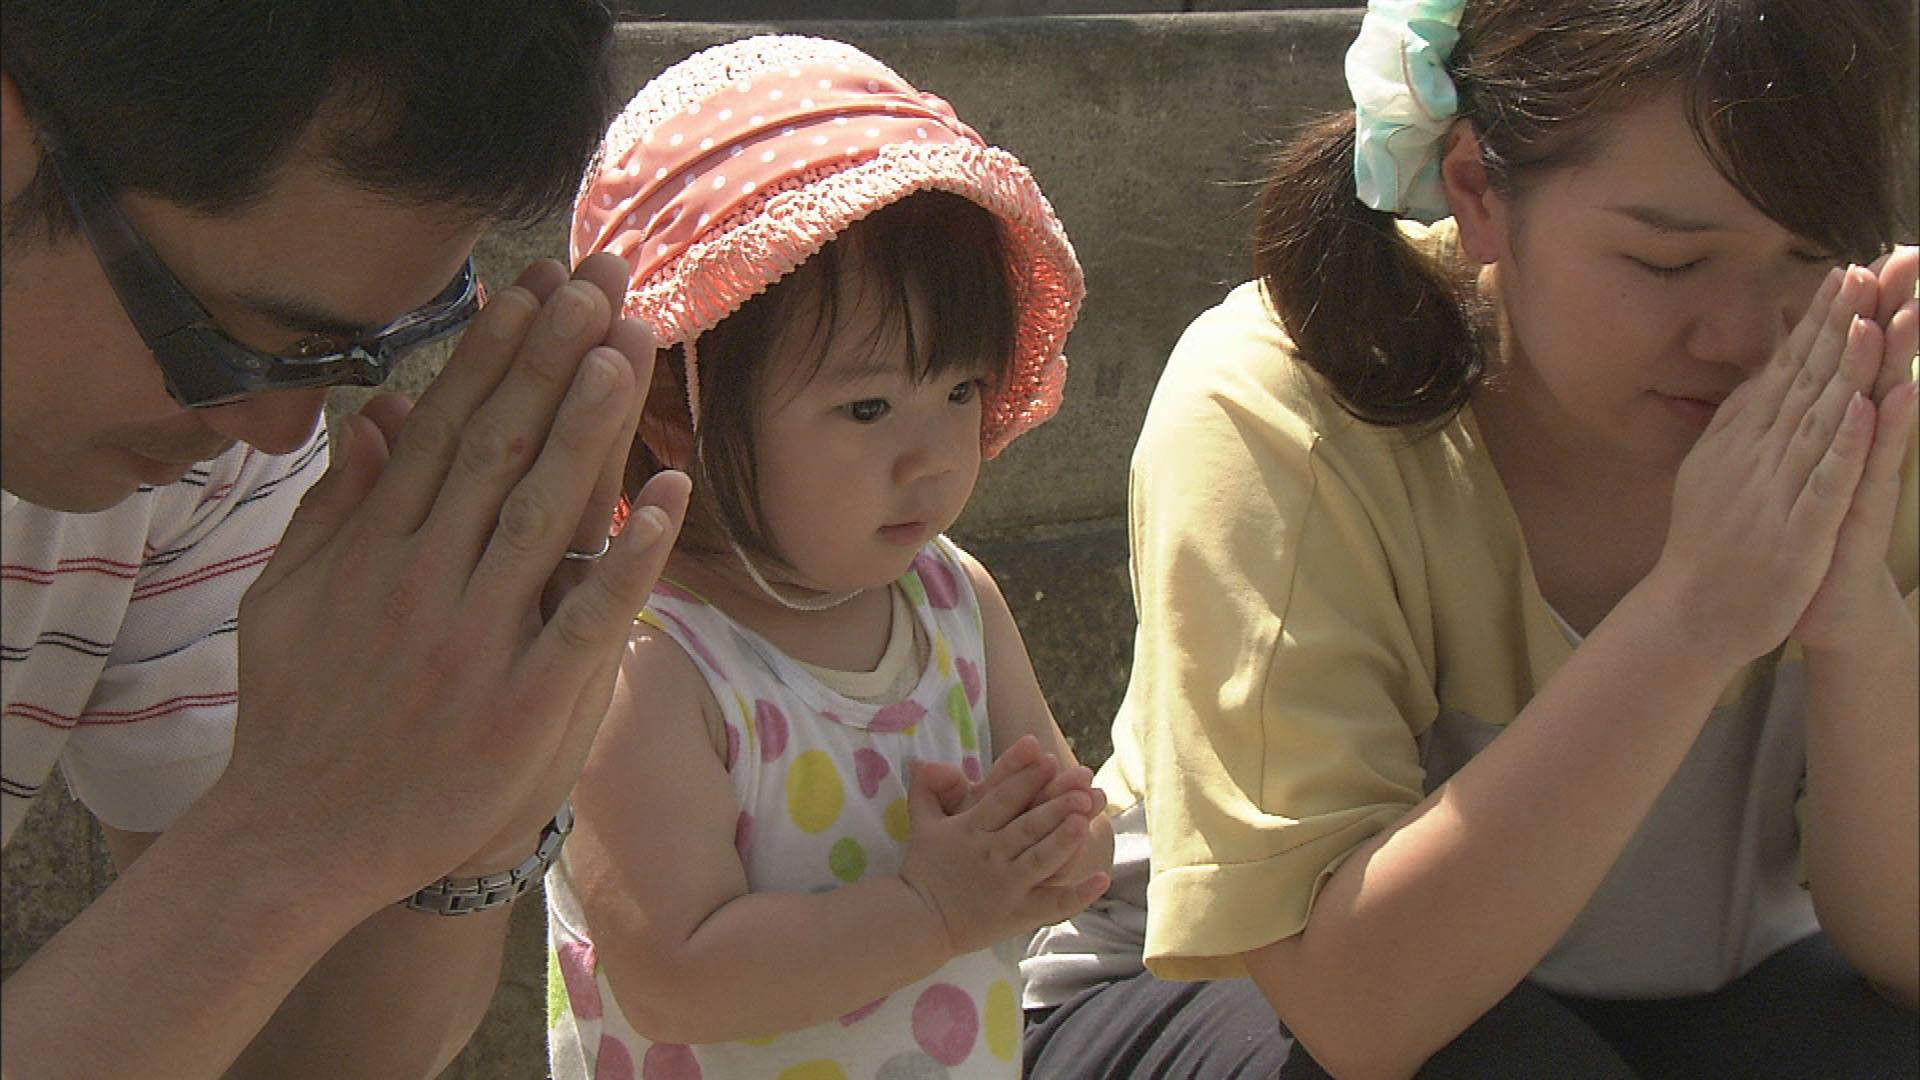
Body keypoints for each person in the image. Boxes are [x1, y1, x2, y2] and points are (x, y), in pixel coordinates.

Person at [1022, 0, 1919, 1076]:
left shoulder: (1880, 399)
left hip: (1714, 993)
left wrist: (1857, 625)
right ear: (1478, 191)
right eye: (1668, 262)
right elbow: (1358, 1011)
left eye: (1812, 255)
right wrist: (1693, 620)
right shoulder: (1290, 404)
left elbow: (1903, 957)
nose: (1742, 338)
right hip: (1246, 1002)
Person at [0, 3, 692, 1076]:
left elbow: (284, 1057)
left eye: (348, 352)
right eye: (229, 341)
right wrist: (289, 834)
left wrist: (469, 825)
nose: (282, 433)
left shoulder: (198, 472)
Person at [544, 35, 1114, 1078]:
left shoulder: (955, 602)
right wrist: (931, 908)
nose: (935, 455)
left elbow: (1073, 839)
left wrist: (1054, 843)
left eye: (961, 391)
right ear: (673, 405)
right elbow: (673, 974)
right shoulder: (645, 661)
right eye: (867, 407)